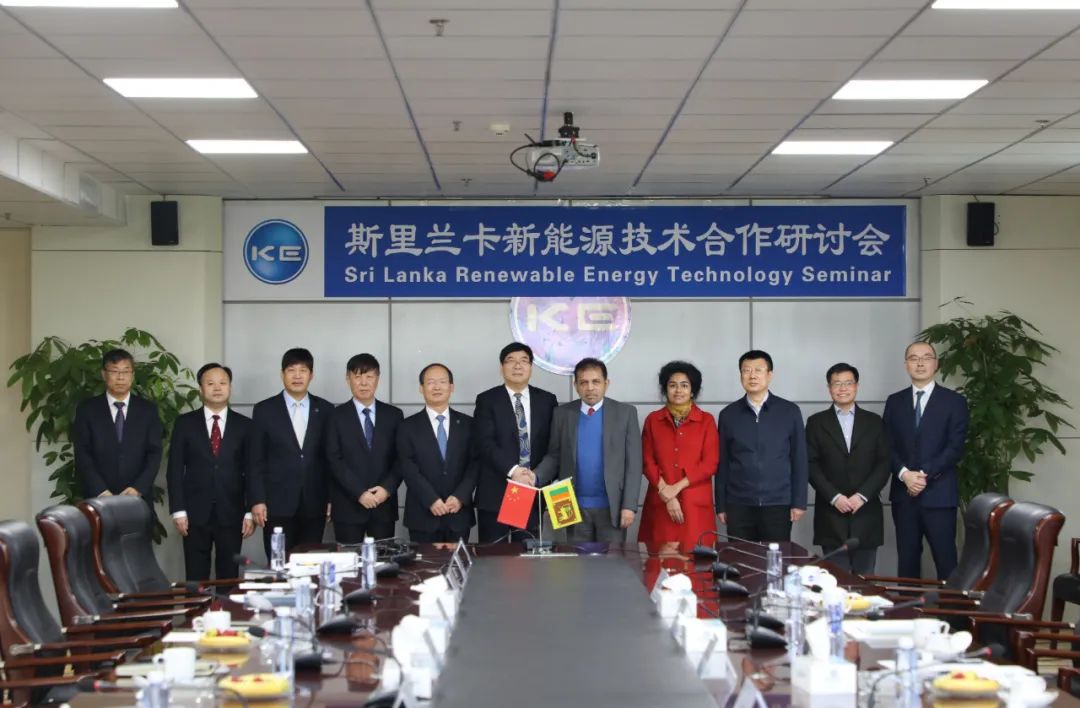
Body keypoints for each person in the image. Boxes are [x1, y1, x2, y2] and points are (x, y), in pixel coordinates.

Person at [883, 341, 969, 579]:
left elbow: (955, 447)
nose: (920, 363)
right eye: (913, 358)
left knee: (947, 563)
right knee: (907, 564)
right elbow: (886, 445)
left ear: (936, 364)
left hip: (939, 495)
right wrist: (904, 475)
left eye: (926, 357)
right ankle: (908, 605)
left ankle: (952, 607)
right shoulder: (894, 401)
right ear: (906, 365)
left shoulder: (954, 401)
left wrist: (922, 476)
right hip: (904, 496)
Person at [535, 357, 642, 544]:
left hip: (613, 508)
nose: (590, 388)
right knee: (576, 560)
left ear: (606, 383)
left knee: (612, 560)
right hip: (570, 506)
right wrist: (535, 476)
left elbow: (634, 464)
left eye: (596, 382)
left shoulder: (625, 413)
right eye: (584, 382)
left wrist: (629, 505)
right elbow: (554, 456)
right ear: (576, 386)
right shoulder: (562, 414)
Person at [167, 363, 255, 581]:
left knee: (229, 575)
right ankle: (198, 606)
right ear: (200, 388)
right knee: (196, 575)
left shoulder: (245, 425)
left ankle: (226, 605)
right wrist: (178, 510)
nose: (217, 388)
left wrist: (249, 511)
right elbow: (175, 469)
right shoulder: (185, 423)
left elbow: (252, 470)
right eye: (210, 383)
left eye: (223, 383)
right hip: (194, 512)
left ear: (230, 388)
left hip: (232, 511)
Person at [805, 363, 891, 575]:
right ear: (829, 388)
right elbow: (810, 464)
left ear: (856, 386)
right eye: (837, 383)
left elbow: (884, 462)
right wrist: (834, 497)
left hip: (866, 512)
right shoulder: (816, 423)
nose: (842, 388)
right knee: (835, 580)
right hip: (831, 513)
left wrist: (862, 496)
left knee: (865, 580)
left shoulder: (874, 421)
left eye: (848, 383)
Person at [716, 350, 807, 543]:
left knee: (775, 557)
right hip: (738, 504)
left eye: (758, 370)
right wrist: (721, 505)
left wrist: (799, 501)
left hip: (778, 503)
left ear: (769, 375)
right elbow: (722, 463)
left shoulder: (789, 411)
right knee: (740, 557)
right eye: (746, 370)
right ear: (740, 375)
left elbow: (799, 459)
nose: (752, 375)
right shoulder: (728, 414)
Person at [249, 348, 332, 557]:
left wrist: (332, 498)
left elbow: (330, 459)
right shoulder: (264, 410)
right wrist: (257, 499)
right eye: (291, 370)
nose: (297, 376)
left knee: (310, 565)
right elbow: (255, 459)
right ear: (282, 374)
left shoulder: (326, 410)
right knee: (279, 564)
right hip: (276, 504)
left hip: (315, 503)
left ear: (311, 375)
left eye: (303, 370)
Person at [471, 342, 558, 543]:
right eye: (511, 360)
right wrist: (514, 471)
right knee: (494, 555)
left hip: (530, 490)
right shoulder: (487, 400)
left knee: (526, 552)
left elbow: (553, 445)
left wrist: (535, 476)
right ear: (502, 368)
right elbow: (484, 442)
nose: (517, 365)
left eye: (523, 361)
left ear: (531, 367)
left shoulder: (547, 400)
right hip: (496, 491)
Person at [638, 361, 719, 554]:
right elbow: (647, 461)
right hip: (660, 502)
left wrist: (675, 488)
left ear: (692, 391)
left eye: (684, 385)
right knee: (659, 562)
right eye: (672, 385)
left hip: (694, 505)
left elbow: (710, 463)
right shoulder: (653, 420)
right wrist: (665, 491)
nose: (678, 390)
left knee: (697, 563)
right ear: (665, 389)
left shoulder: (706, 420)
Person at [325, 353, 404, 544]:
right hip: (348, 505)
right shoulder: (335, 416)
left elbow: (402, 458)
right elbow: (333, 459)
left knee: (385, 559)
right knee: (349, 560)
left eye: (369, 376)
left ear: (377, 379)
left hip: (383, 505)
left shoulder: (393, 415)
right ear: (348, 379)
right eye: (357, 376)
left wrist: (386, 489)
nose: (363, 382)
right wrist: (359, 492)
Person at [397, 363, 478, 543]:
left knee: (459, 561)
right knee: (423, 562)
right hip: (422, 515)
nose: (437, 387)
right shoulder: (407, 427)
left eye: (442, 382)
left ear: (451, 387)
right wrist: (431, 499)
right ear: (421, 388)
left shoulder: (468, 424)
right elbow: (408, 468)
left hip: (458, 513)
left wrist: (460, 497)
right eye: (431, 382)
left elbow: (475, 464)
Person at [72, 348, 163, 502]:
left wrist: (138, 488)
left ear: (132, 375)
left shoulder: (148, 410)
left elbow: (154, 453)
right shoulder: (87, 410)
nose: (120, 377)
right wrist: (100, 490)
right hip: (98, 497)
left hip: (138, 497)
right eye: (114, 371)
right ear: (103, 374)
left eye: (126, 371)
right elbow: (82, 453)